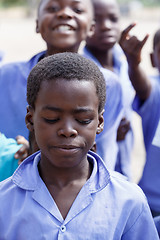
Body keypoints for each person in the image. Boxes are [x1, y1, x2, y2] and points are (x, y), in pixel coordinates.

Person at [0, 52, 158, 239]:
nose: (68, 130)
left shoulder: (129, 201)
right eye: (52, 119)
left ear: (99, 122)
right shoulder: (4, 201)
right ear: (30, 119)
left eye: (83, 120)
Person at [0, 0, 123, 172]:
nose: (64, 14)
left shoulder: (109, 83)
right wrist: (15, 152)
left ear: (91, 28)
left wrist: (40, 155)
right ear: (37, 24)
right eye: (53, 8)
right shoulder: (5, 76)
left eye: (77, 9)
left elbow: (103, 152)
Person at [82, 0, 136, 179]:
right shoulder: (80, 72)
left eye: (113, 19)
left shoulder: (125, 62)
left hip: (123, 161)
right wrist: (108, 130)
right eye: (96, 20)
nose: (106, 26)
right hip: (95, 170)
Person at [120, 26, 160, 217]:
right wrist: (133, 64)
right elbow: (143, 86)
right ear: (153, 59)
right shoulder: (156, 91)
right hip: (152, 205)